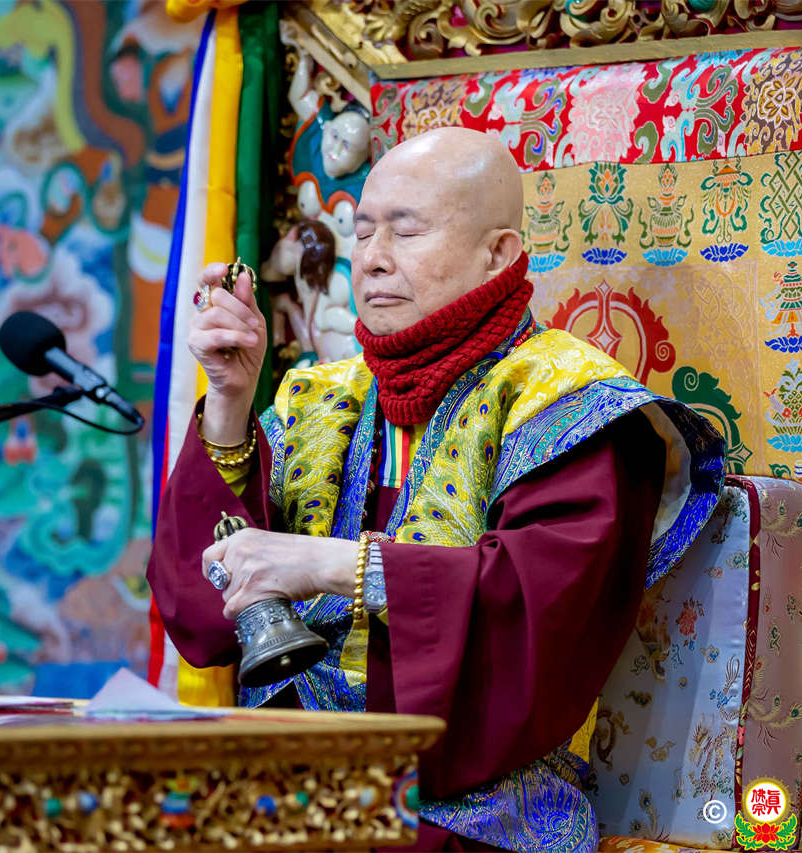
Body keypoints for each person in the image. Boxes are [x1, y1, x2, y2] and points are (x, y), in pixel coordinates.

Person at [147, 127, 724, 853]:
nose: (372, 257)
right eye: (362, 231)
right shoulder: (321, 397)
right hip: (285, 787)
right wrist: (230, 402)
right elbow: (201, 612)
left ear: (499, 253)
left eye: (407, 230)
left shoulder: (572, 406)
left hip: (467, 811)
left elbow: (538, 620)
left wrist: (330, 565)